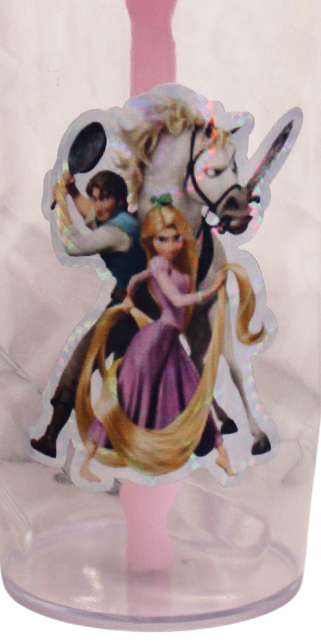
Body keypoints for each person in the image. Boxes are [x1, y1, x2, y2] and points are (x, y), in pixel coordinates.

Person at [78, 201, 237, 482]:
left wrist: (129, 296)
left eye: (176, 238)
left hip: (170, 344)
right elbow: (176, 300)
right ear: (151, 241)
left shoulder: (175, 269)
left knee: (192, 394)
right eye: (162, 239)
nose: (171, 244)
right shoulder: (158, 265)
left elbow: (136, 280)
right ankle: (87, 461)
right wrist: (212, 289)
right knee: (125, 396)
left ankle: (221, 454)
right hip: (152, 342)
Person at [30, 170, 152, 458]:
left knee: (79, 365)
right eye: (95, 198)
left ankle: (51, 438)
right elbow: (92, 214)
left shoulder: (117, 232)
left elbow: (74, 245)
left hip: (128, 313)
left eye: (104, 198)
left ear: (119, 200)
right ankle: (113, 444)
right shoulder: (122, 220)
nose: (97, 205)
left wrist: (61, 202)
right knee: (122, 380)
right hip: (138, 310)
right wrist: (73, 193)